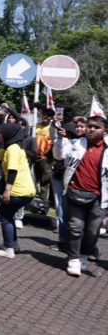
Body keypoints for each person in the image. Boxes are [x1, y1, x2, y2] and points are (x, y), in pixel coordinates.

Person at [53, 115, 108, 276]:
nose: (91, 129)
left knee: (93, 231)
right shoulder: (76, 144)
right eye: (89, 126)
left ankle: (84, 255)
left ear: (105, 130)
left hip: (98, 198)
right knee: (75, 228)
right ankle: (73, 258)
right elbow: (59, 155)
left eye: (96, 127)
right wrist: (60, 140)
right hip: (74, 193)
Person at [0, 124, 36, 258]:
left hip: (18, 190)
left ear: (8, 133)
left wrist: (7, 190)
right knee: (9, 214)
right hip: (27, 190)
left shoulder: (12, 149)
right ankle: (13, 245)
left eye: (0, 133)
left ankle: (8, 249)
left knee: (5, 214)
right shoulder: (12, 148)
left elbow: (13, 171)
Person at [50, 117, 86, 252]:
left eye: (82, 126)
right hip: (68, 184)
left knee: (82, 219)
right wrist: (60, 139)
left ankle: (85, 247)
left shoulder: (90, 144)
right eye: (77, 126)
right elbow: (59, 156)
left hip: (84, 186)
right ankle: (63, 242)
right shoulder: (69, 142)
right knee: (63, 214)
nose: (79, 129)